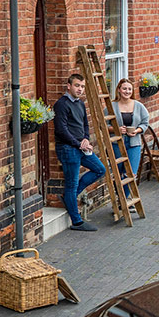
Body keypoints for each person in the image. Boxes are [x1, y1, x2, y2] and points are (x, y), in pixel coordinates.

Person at [53, 74, 106, 231]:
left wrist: (85, 140)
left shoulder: (81, 104)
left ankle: (69, 197)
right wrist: (78, 144)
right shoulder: (61, 104)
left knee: (100, 169)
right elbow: (61, 130)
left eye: (82, 86)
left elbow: (85, 125)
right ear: (69, 85)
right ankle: (77, 222)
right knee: (71, 183)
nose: (80, 89)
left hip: (80, 147)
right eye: (77, 85)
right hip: (68, 149)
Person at [109, 78, 149, 206]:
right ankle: (121, 199)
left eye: (129, 89)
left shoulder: (138, 106)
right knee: (119, 173)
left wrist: (137, 131)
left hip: (134, 144)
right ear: (119, 90)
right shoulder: (112, 106)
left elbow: (145, 123)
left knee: (130, 173)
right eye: (124, 88)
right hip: (117, 144)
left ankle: (123, 201)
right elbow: (103, 125)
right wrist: (116, 129)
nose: (127, 91)